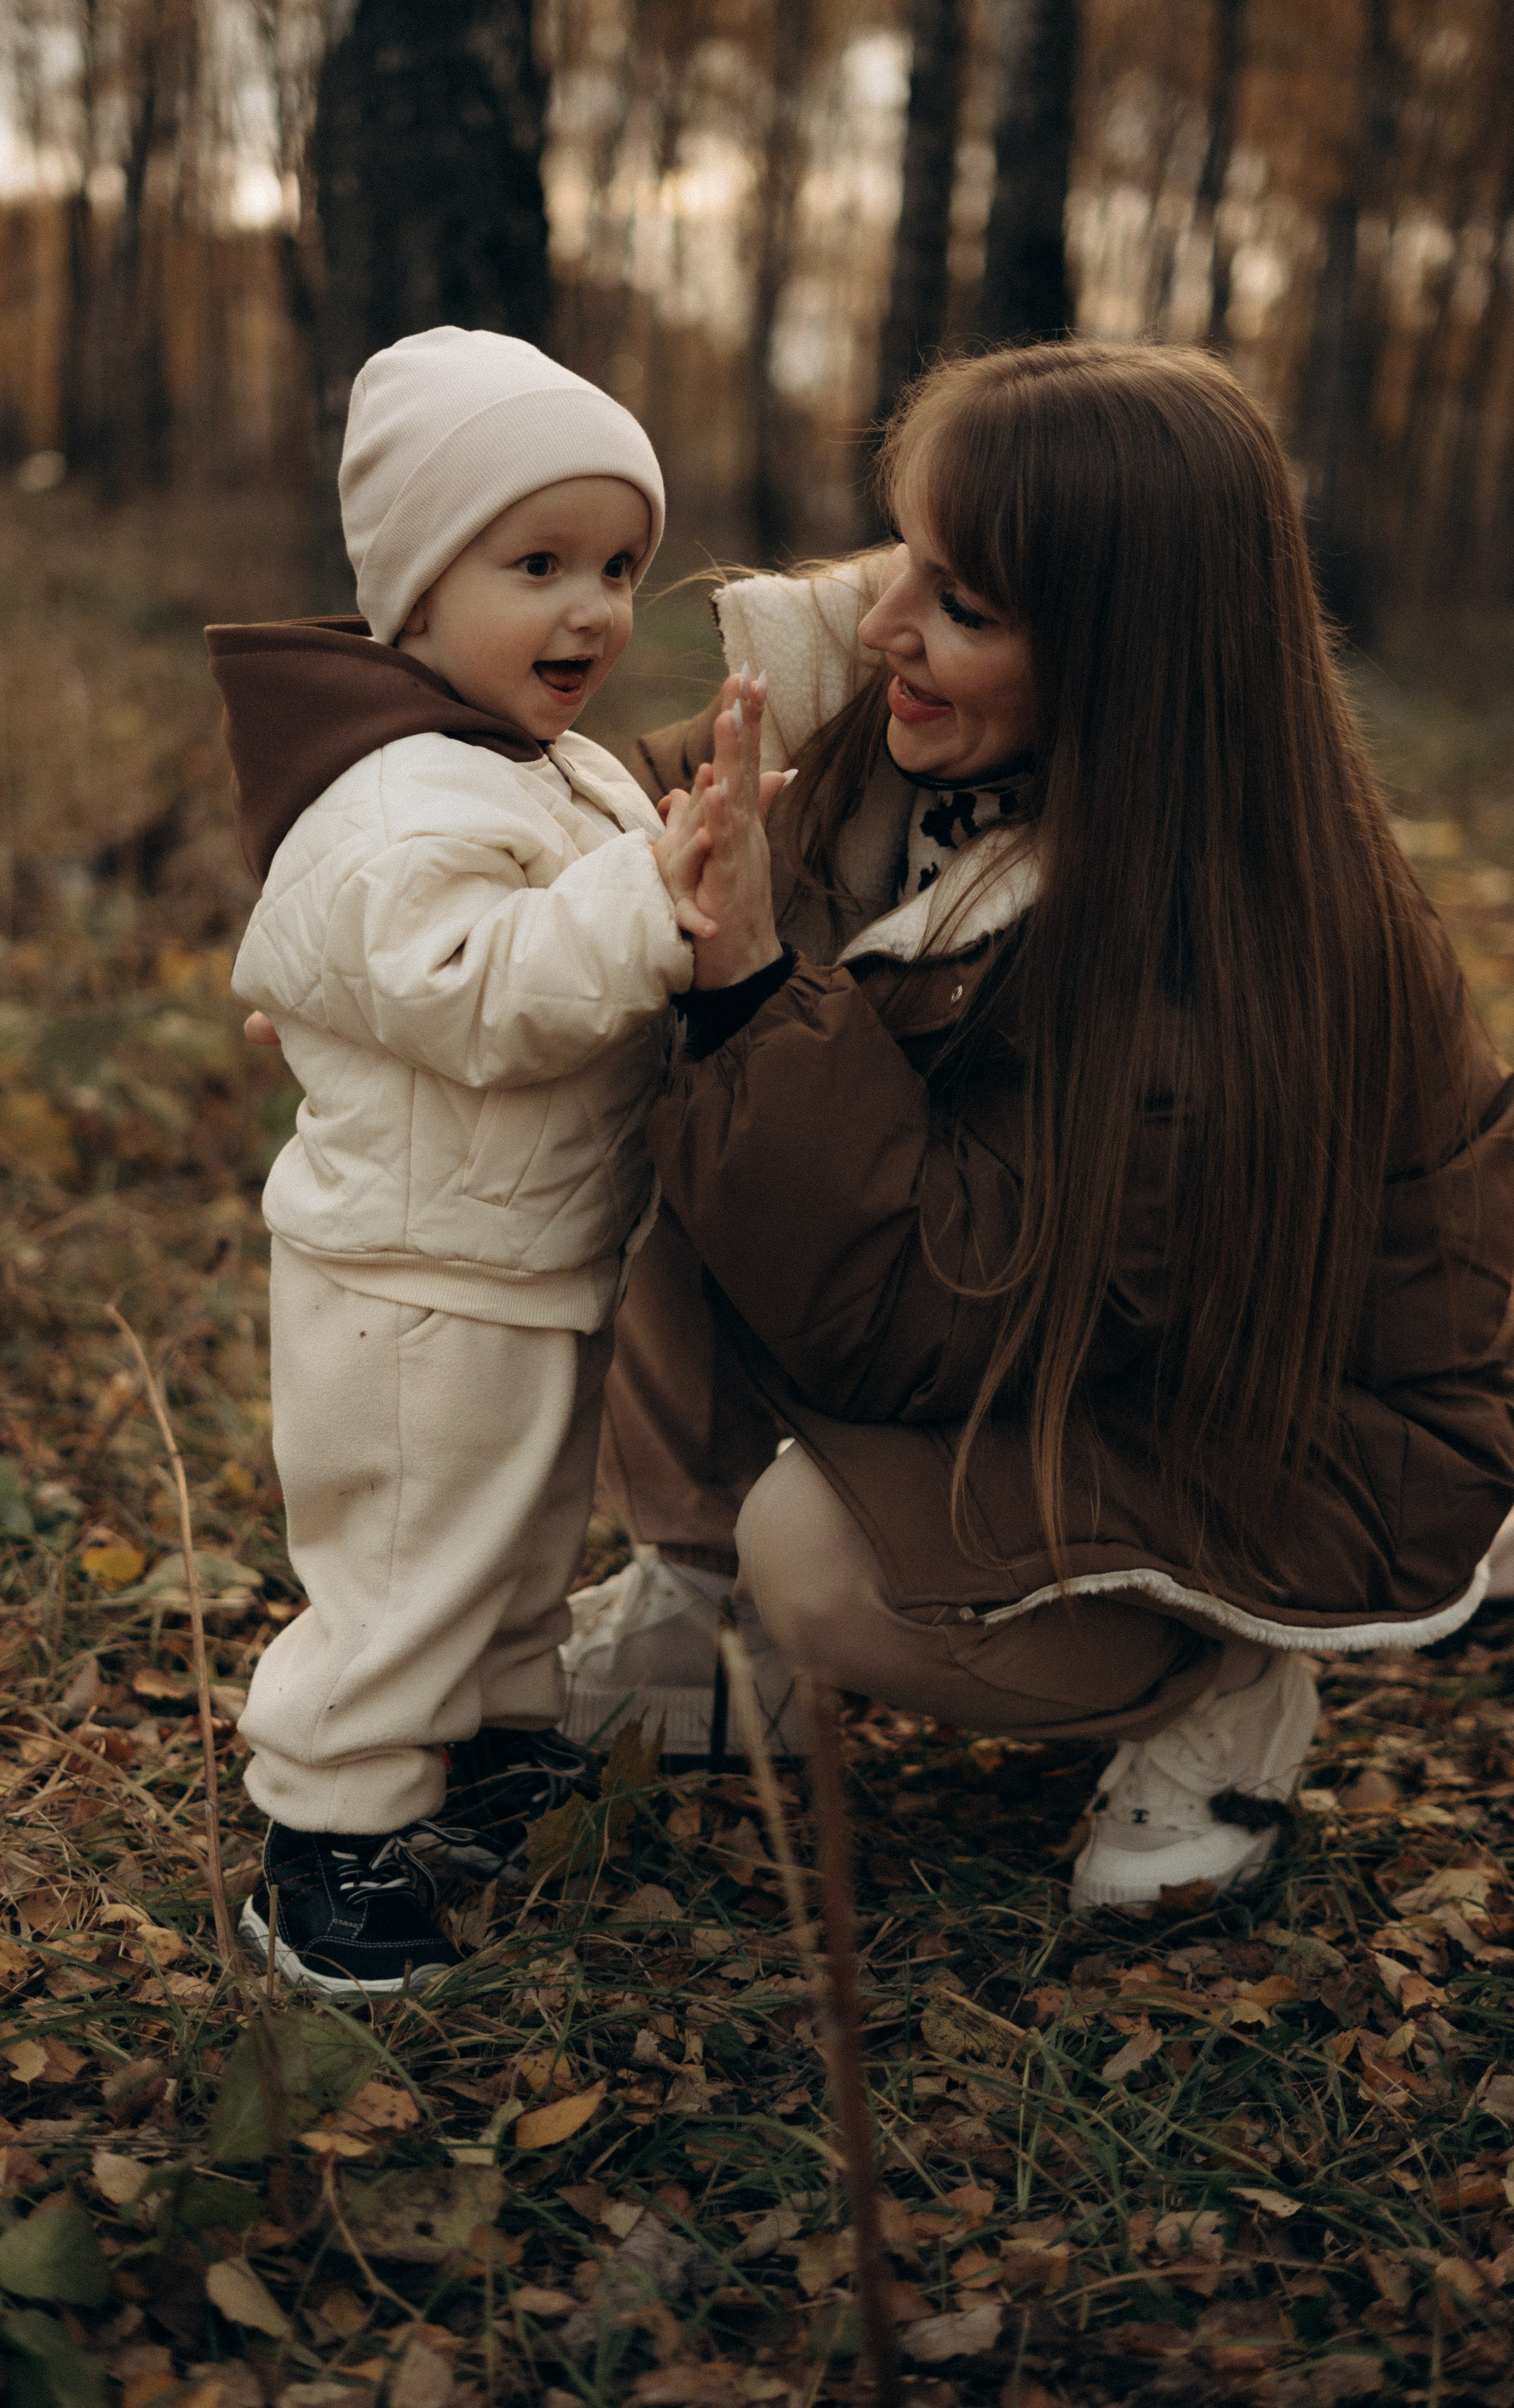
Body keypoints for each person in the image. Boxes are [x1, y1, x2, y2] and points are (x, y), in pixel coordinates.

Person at [588, 341, 1514, 1908]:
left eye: (961, 601)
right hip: (1048, 1351)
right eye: (900, 556)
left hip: (1257, 1444)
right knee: (619, 1042)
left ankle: (1216, 1680)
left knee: (816, 1552)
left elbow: (921, 1313)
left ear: (1119, 656)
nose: (879, 623)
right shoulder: (904, 738)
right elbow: (588, 818)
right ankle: (698, 1606)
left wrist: (749, 986)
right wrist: (403, 949)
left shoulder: (1221, 955)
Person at [208, 325, 748, 1993]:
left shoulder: (539, 763)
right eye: (537, 566)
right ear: (415, 590)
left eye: (617, 568)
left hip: (524, 1248)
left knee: (518, 1541)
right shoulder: (395, 798)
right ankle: (328, 1829)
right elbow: (486, 997)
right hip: (414, 1281)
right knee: (409, 1558)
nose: (592, 609)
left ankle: (499, 1740)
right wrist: (650, 892)